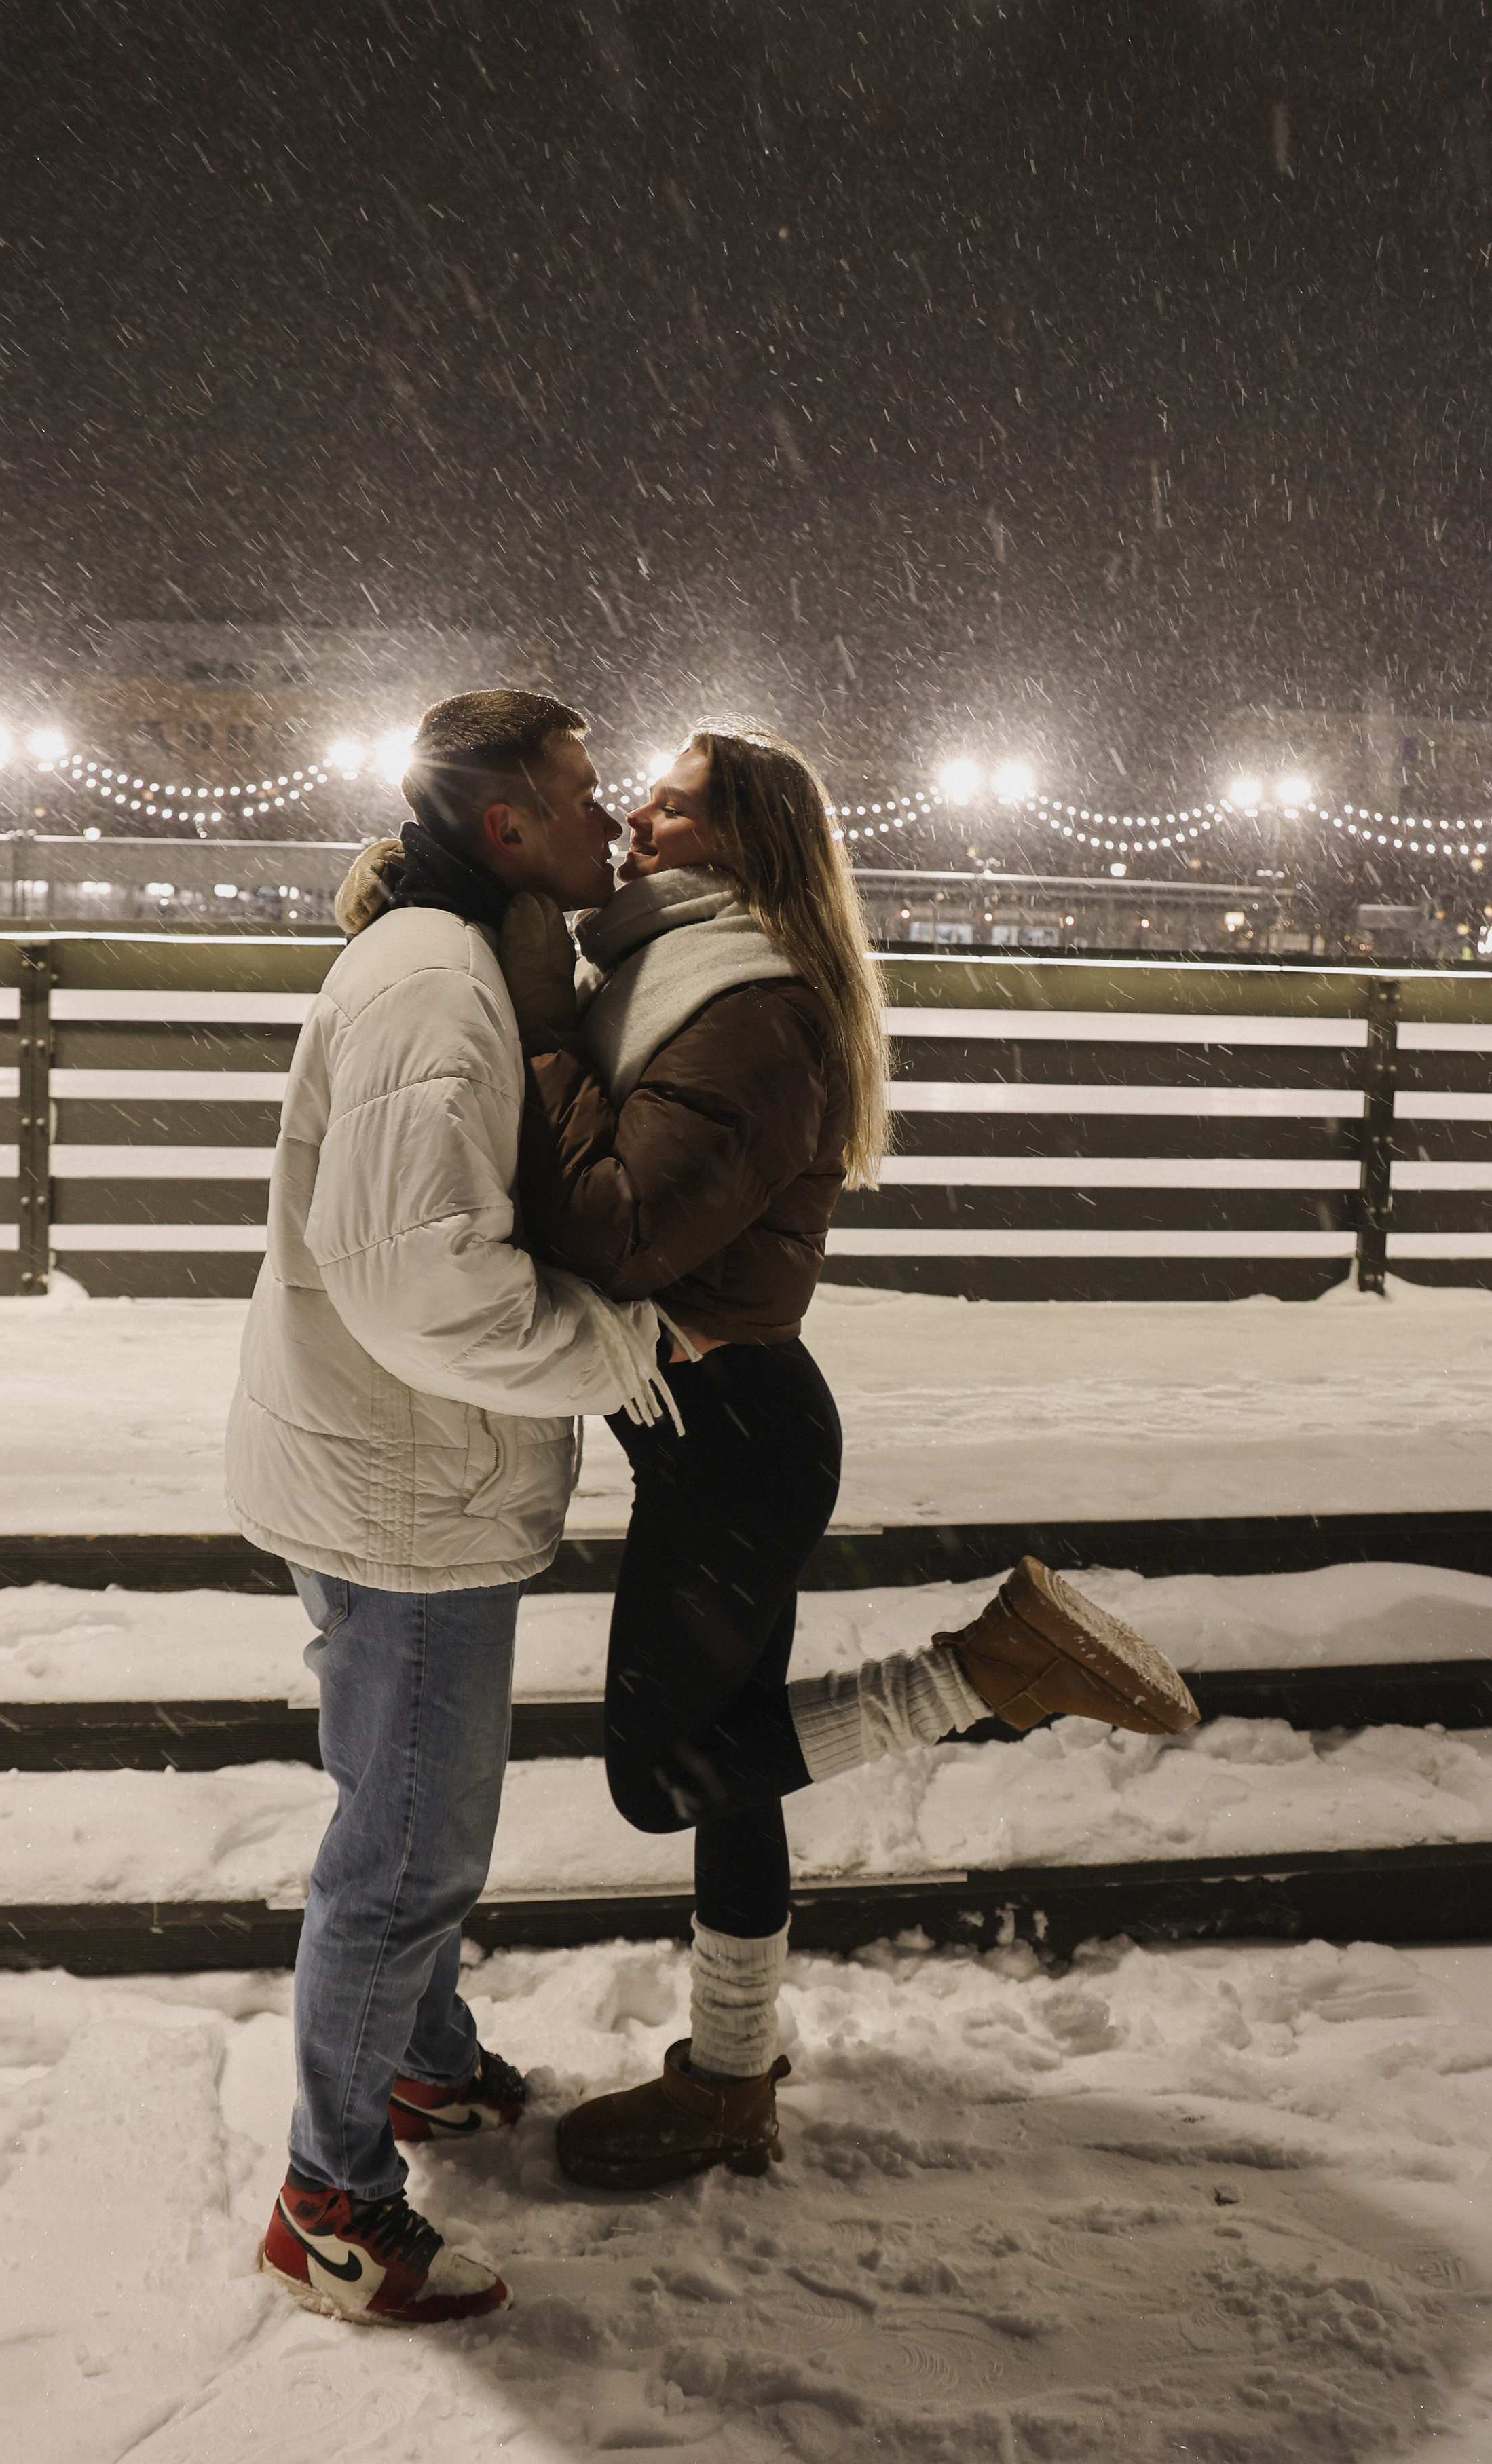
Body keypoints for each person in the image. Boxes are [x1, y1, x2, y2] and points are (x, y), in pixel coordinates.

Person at [496, 723, 1199, 2190]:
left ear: (741, 847)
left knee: (655, 1778)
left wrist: (544, 1040)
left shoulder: (745, 1012)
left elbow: (623, 1232)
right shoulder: (684, 975)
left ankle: (986, 1673)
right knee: (728, 1778)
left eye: (672, 810)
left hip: (735, 1440)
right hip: (725, 1427)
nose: (633, 818)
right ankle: (730, 2082)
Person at [225, 688, 673, 2326]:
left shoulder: (452, 959)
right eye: (580, 794)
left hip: (378, 1466)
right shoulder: (438, 987)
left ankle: (416, 2064)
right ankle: (331, 2204)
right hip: (401, 1489)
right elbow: (424, 1289)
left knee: (400, 1810)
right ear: (505, 832)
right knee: (404, 1854)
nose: (608, 819)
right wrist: (623, 1343)